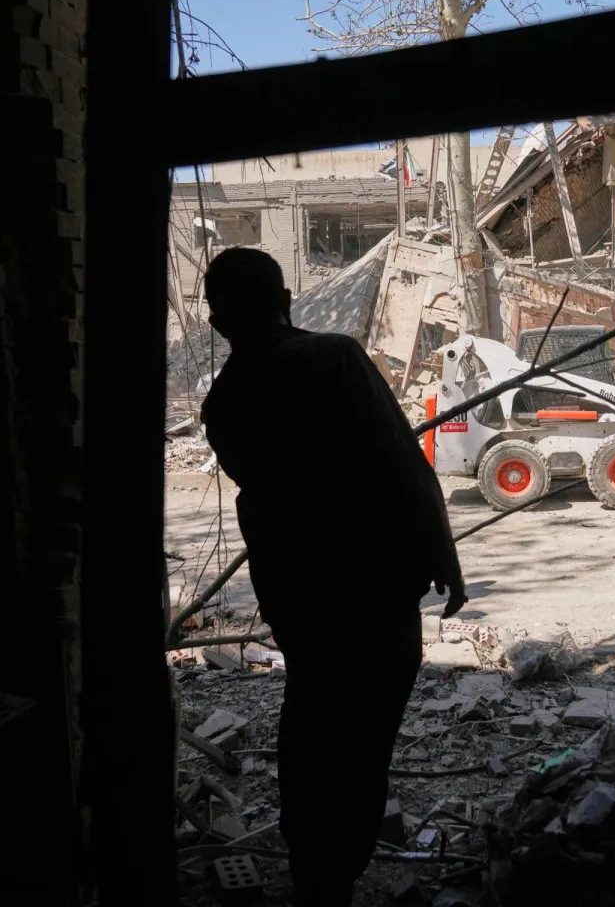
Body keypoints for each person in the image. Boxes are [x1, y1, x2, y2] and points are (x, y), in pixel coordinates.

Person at [198, 248, 466, 907]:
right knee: (364, 732)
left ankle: (313, 863)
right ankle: (337, 868)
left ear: (216, 319)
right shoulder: (334, 358)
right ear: (287, 298)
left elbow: (262, 497)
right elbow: (403, 464)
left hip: (299, 593)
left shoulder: (224, 401)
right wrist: (444, 557)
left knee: (314, 717)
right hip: (372, 589)